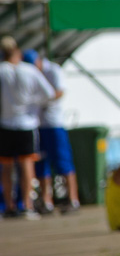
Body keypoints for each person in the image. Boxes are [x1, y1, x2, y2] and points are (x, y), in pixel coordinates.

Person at [0, 37, 56, 219]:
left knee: (7, 167)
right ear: (17, 52)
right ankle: (27, 205)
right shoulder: (29, 70)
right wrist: (31, 104)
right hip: (26, 123)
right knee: (26, 164)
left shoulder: (1, 71)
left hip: (5, 123)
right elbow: (49, 94)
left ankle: (9, 206)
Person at [24, 50, 80, 214]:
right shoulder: (30, 73)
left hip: (54, 124)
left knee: (63, 162)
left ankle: (73, 199)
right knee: (41, 164)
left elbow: (59, 92)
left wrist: (39, 100)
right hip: (38, 125)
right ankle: (47, 202)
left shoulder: (53, 70)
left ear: (39, 61)